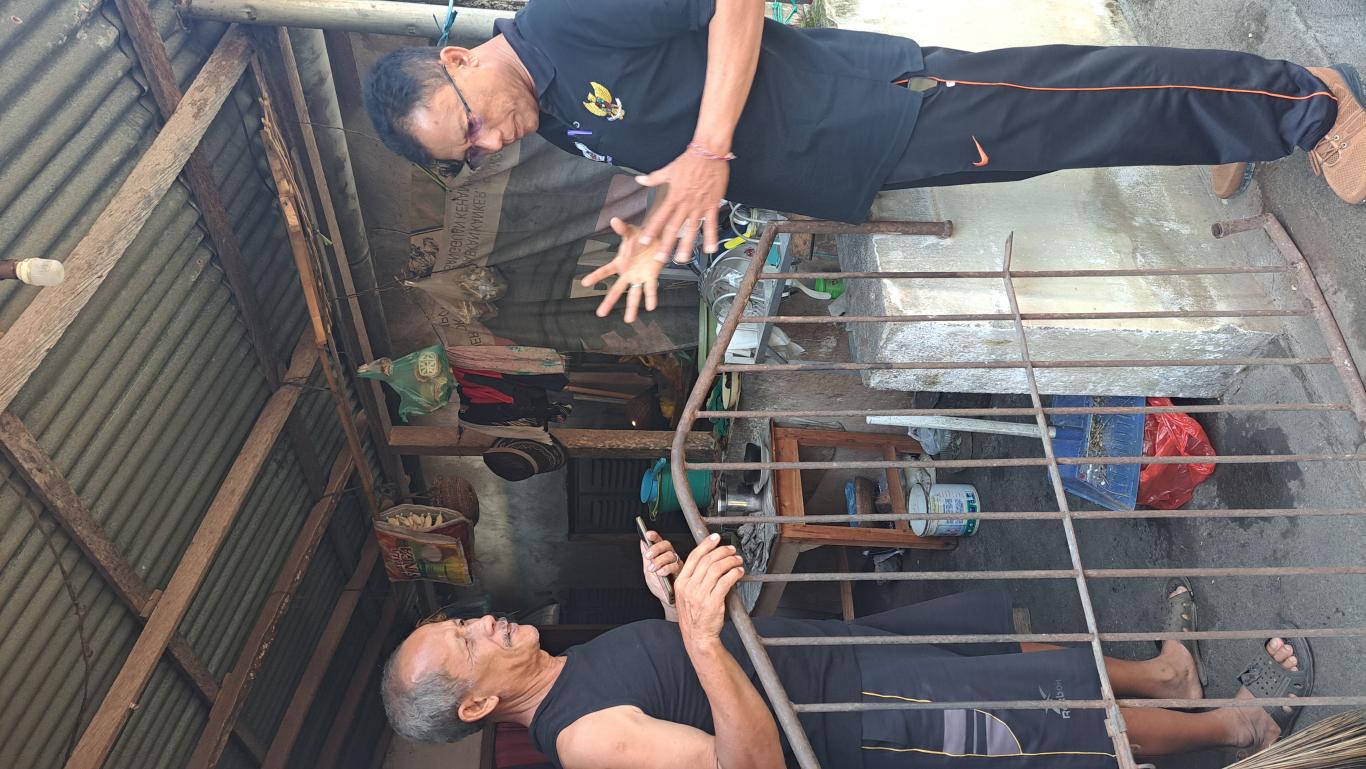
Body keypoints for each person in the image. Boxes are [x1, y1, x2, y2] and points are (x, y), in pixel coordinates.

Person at [362, 0, 1365, 323]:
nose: (490, 142)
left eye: (469, 124)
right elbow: (675, 154)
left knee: (1085, 101)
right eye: (470, 155)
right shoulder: (546, 114)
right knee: (1079, 130)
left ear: (456, 61)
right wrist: (652, 230)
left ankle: (1308, 106)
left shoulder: (567, 22)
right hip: (858, 154)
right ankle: (1241, 124)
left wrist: (710, 148)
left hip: (876, 99)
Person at [380, 531, 1314, 769]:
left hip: (835, 659)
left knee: (1010, 650)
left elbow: (681, 681)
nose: (485, 621)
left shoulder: (572, 672)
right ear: (475, 703)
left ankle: (1169, 673)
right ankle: (1241, 727)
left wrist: (670, 604)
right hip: (854, 715)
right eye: (467, 639)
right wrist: (700, 635)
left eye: (466, 619)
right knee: (1046, 712)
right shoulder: (583, 739)